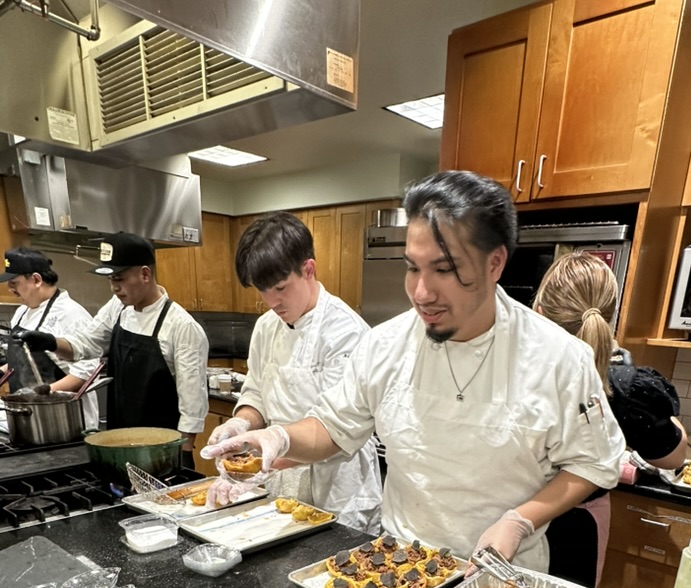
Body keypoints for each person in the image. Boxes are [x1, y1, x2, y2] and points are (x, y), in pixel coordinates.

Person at [202, 170, 626, 567]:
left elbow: (591, 464)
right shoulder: (385, 345)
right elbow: (331, 429)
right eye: (412, 267)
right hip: (401, 562)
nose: (421, 292)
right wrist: (274, 437)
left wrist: (520, 520)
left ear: (495, 263)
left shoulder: (559, 358)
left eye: (445, 269)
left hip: (502, 575)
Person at [206, 212, 382, 531]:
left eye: (280, 288)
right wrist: (240, 423)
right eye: (262, 291)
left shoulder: (346, 332)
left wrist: (269, 451)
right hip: (280, 481)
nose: (272, 302)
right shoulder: (266, 326)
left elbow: (334, 430)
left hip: (338, 488)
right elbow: (257, 393)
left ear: (308, 269)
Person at [534, 250, 688, 587]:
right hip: (578, 525)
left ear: (540, 312)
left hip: (509, 514)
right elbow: (673, 457)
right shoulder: (624, 385)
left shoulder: (506, 369)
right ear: (610, 317)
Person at [9, 233, 208, 468]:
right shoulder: (119, 308)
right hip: (120, 438)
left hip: (162, 449)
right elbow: (86, 344)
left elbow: (192, 403)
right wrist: (50, 342)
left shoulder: (182, 327)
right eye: (110, 279)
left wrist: (182, 454)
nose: (114, 287)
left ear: (145, 274)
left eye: (120, 278)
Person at [1, 247, 100, 429]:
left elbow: (87, 372)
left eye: (14, 283)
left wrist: (39, 394)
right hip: (31, 414)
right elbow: (25, 360)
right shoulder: (23, 312)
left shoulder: (70, 314)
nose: (9, 288)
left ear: (37, 280)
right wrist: (3, 371)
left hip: (65, 418)